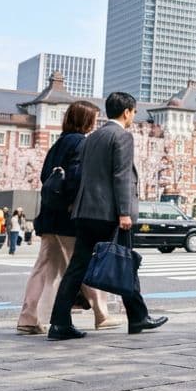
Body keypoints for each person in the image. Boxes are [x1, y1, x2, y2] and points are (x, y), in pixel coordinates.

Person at [48, 91, 167, 340]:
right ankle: (138, 318)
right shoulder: (122, 136)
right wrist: (124, 212)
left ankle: (59, 323)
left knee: (76, 268)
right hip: (109, 213)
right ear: (127, 112)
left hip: (85, 211)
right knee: (125, 262)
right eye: (134, 112)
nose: (133, 117)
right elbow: (121, 176)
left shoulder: (92, 137)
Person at [16, 101, 118, 335]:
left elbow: (45, 177)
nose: (96, 123)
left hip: (49, 216)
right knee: (83, 264)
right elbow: (76, 177)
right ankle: (102, 314)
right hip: (68, 218)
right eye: (93, 118)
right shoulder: (81, 143)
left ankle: (28, 317)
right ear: (85, 120)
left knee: (43, 268)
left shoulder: (58, 144)